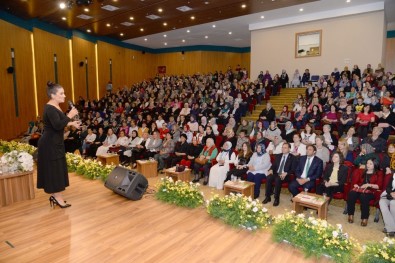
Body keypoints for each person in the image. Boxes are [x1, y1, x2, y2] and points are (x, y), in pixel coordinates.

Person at [37, 81, 80, 209]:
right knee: (54, 170)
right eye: (61, 93)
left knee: (57, 169)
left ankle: (57, 196)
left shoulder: (55, 106)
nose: (64, 96)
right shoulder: (50, 108)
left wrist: (71, 124)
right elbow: (57, 126)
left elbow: (58, 123)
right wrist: (69, 116)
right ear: (53, 95)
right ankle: (57, 197)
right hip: (50, 144)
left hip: (55, 142)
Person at [347, 158, 383, 226]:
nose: (368, 165)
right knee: (351, 193)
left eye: (370, 164)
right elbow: (358, 182)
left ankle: (364, 218)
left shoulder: (379, 173)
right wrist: (356, 185)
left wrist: (368, 185)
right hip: (361, 189)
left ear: (375, 165)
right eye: (367, 163)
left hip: (371, 191)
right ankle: (350, 215)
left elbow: (379, 186)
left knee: (363, 196)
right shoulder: (363, 171)